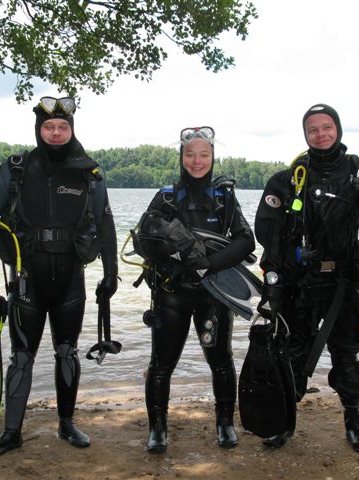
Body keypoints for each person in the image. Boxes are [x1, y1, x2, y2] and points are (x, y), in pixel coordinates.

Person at [0, 96, 118, 459]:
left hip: (70, 282)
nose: (56, 132)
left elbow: (107, 224)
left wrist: (111, 275)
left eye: (63, 127)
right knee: (21, 357)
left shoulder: (88, 174)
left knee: (67, 352)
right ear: (38, 129)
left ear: (71, 130)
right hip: (27, 281)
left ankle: (66, 423)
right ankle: (11, 432)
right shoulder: (16, 169)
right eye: (49, 127)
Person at [254, 104, 359, 452]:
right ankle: (284, 421)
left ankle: (354, 420)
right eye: (313, 129)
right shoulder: (288, 179)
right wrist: (279, 275)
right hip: (299, 285)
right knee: (291, 355)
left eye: (327, 127)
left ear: (338, 129)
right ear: (305, 135)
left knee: (346, 355)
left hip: (343, 285)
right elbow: (268, 234)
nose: (321, 134)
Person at [133, 126, 255, 453]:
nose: (197, 161)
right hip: (171, 293)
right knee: (162, 363)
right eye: (190, 155)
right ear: (182, 158)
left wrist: (209, 265)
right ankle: (158, 429)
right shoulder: (166, 196)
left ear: (213, 157)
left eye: (204, 155)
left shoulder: (224, 198)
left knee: (221, 360)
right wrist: (179, 256)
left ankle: (225, 424)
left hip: (213, 296)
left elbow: (246, 241)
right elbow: (144, 242)